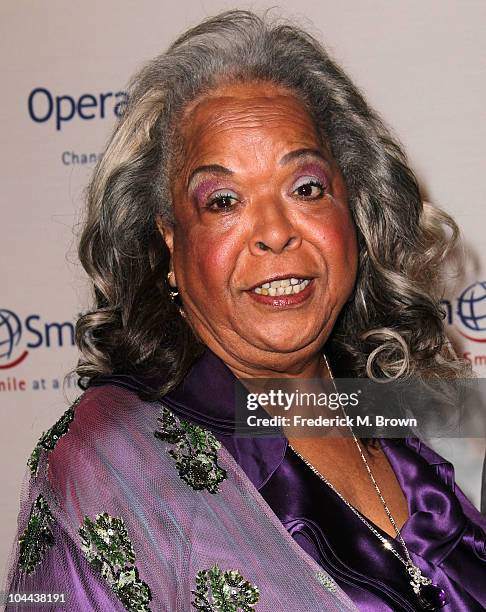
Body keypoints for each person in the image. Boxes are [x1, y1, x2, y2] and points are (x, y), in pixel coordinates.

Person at [4, 9, 486, 612]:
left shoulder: (397, 439)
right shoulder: (112, 461)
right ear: (170, 245)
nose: (276, 232)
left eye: (306, 188)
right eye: (224, 200)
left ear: (353, 215)